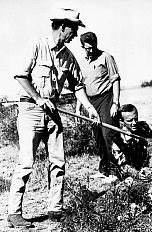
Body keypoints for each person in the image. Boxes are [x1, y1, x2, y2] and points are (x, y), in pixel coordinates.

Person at [7, 9, 100, 228]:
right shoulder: (36, 45)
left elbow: (77, 85)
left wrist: (89, 108)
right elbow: (20, 76)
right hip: (31, 110)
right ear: (62, 26)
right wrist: (39, 98)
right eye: (74, 29)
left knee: (58, 162)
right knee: (26, 163)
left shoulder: (68, 55)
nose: (75, 35)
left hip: (53, 113)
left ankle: (55, 209)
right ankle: (14, 212)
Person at [76, 32, 121, 181]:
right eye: (87, 48)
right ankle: (104, 170)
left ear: (96, 44)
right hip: (90, 102)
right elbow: (79, 87)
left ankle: (115, 172)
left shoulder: (106, 57)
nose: (90, 50)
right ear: (82, 47)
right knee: (98, 136)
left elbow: (115, 80)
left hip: (106, 99)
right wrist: (79, 108)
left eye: (92, 47)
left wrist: (115, 103)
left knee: (108, 134)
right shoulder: (81, 63)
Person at [112, 104, 152, 174]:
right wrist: (137, 174)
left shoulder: (148, 128)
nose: (134, 123)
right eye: (129, 121)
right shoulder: (118, 140)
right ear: (121, 121)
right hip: (133, 174)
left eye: (136, 119)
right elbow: (122, 166)